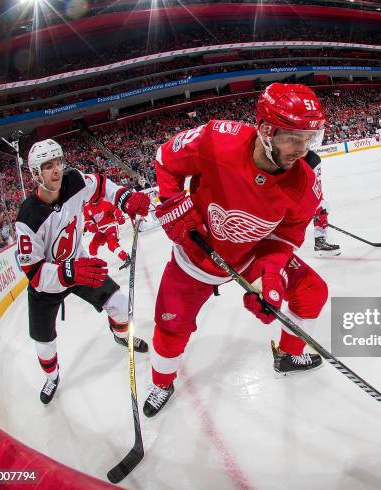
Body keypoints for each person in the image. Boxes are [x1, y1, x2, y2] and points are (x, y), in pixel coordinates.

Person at [144, 83, 329, 417]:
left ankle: (288, 355)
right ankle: (160, 381)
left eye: (309, 138)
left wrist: (270, 273)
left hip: (250, 256)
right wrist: (172, 201)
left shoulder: (304, 184)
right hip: (196, 256)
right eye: (292, 137)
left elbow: (285, 238)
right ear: (266, 130)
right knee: (171, 326)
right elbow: (165, 159)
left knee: (312, 291)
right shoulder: (218, 139)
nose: (302, 150)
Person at [14, 138, 151, 405]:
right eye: (48, 166)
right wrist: (68, 272)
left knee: (122, 306)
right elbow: (35, 275)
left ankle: (121, 336)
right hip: (49, 283)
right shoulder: (27, 218)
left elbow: (100, 185)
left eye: (58, 163)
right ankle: (52, 377)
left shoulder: (74, 181)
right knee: (43, 342)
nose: (56, 170)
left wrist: (124, 197)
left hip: (81, 268)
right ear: (34, 173)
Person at [84, 198, 131, 269]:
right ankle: (94, 265)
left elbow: (115, 210)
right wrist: (91, 226)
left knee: (111, 244)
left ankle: (125, 258)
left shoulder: (105, 202)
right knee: (92, 246)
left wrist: (119, 216)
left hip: (110, 225)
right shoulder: (86, 208)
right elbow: (87, 221)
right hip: (100, 230)